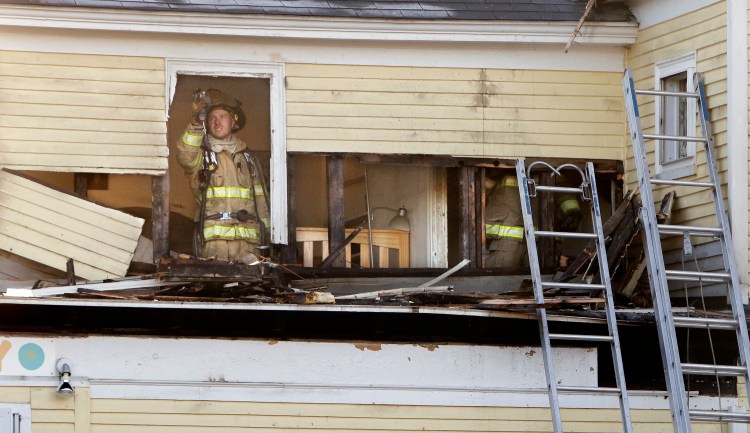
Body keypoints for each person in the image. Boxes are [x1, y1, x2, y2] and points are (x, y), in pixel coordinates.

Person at [175, 88, 270, 263]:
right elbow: (184, 154)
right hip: (214, 245)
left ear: (233, 122)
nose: (217, 123)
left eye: (222, 117)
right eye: (212, 118)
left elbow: (261, 202)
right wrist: (196, 121)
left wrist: (268, 239)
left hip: (247, 245)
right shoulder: (201, 156)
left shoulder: (248, 158)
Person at [484, 171, 581, 269]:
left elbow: (562, 188)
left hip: (541, 240)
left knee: (539, 279)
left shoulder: (550, 170)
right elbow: (480, 188)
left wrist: (572, 211)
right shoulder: (496, 171)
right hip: (505, 240)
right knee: (499, 280)